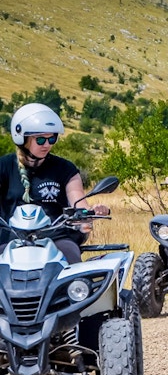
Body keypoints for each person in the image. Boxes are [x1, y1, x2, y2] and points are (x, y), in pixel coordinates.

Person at [0, 103, 110, 264]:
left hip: (56, 238)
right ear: (22, 138)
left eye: (52, 138)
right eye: (40, 139)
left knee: (73, 264)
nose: (47, 144)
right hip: (9, 238)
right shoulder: (4, 166)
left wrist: (91, 212)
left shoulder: (65, 169)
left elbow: (78, 200)